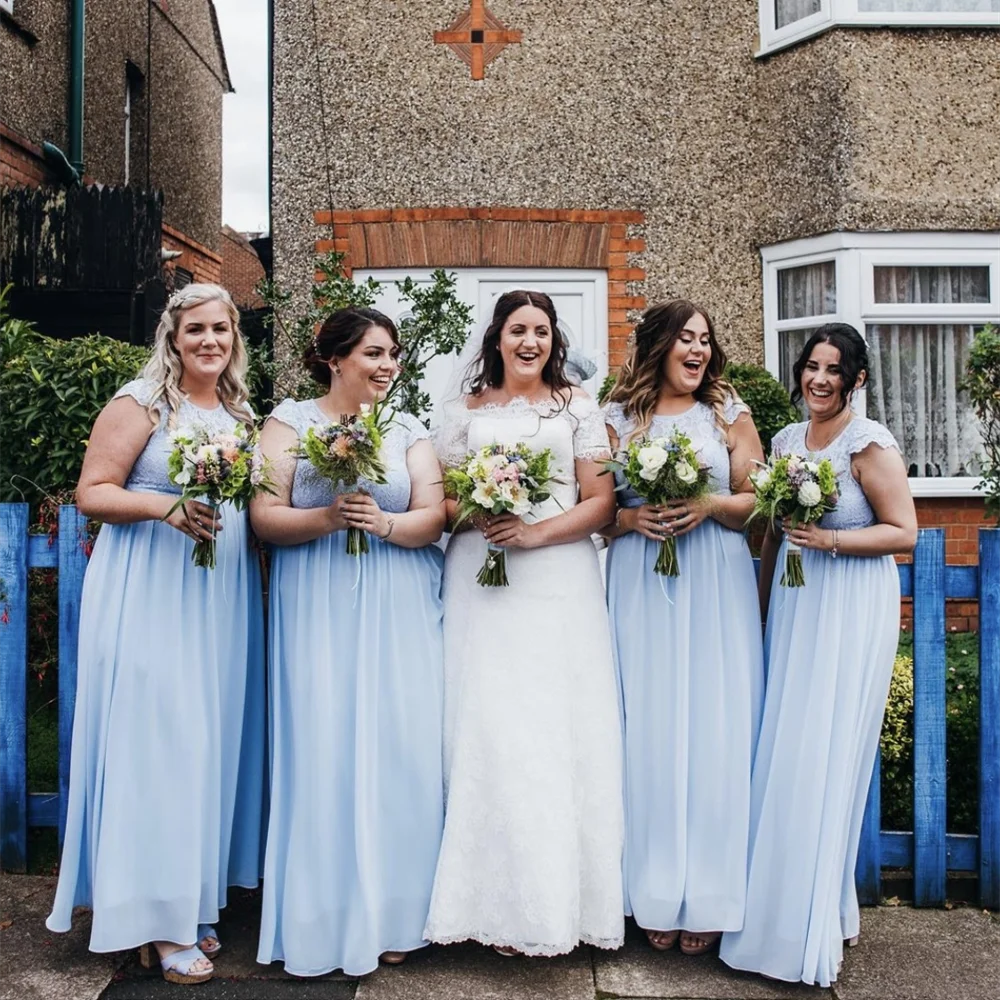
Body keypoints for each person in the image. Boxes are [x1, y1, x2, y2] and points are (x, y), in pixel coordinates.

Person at [46, 284, 266, 986]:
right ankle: (149, 914)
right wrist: (164, 506)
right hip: (150, 586)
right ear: (173, 336)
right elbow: (93, 491)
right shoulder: (140, 403)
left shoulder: (240, 412)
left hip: (219, 593)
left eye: (221, 330)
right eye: (195, 329)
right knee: (157, 740)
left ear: (235, 339)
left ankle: (189, 896)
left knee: (205, 742)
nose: (209, 341)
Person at [424, 289, 624, 956]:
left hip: (555, 582)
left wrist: (536, 535)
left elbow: (599, 501)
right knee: (485, 726)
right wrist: (475, 513)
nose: (530, 341)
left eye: (540, 330)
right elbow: (445, 495)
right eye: (518, 330)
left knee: (550, 728)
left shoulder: (578, 408)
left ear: (553, 340)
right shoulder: (463, 412)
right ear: (497, 339)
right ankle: (483, 899)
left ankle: (553, 902)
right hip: (481, 578)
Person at [720, 323, 917, 987]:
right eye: (811, 367)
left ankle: (806, 924)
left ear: (857, 379)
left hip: (850, 604)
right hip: (796, 602)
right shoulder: (784, 442)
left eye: (834, 370)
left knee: (825, 752)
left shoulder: (870, 443)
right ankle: (790, 907)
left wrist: (829, 542)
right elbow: (774, 531)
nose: (819, 379)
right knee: (783, 746)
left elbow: (904, 532)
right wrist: (760, 599)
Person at [252, 307, 446, 977]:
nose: (388, 365)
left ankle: (399, 913)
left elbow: (434, 514)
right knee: (325, 741)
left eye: (393, 353)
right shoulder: (290, 422)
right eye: (373, 353)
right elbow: (264, 516)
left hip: (400, 601)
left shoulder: (411, 429)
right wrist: (326, 516)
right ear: (333, 358)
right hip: (320, 600)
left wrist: (387, 526)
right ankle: (325, 914)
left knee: (402, 746)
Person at [601, 300, 765, 956]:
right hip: (640, 578)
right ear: (659, 346)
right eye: (685, 339)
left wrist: (710, 503)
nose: (697, 350)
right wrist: (628, 522)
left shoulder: (729, 412)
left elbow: (757, 499)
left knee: (712, 727)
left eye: (705, 339)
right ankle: (651, 891)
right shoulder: (617, 416)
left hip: (714, 580)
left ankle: (712, 893)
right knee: (648, 728)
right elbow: (597, 506)